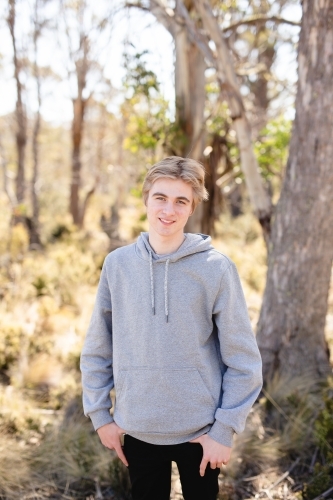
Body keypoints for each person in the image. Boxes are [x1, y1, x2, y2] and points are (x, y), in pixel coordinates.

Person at [80, 156, 263, 500]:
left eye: (181, 201)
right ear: (146, 199)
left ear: (192, 207)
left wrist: (223, 431)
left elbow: (244, 361)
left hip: (200, 432)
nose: (169, 210)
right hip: (137, 429)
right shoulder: (118, 265)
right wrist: (101, 416)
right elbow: (97, 348)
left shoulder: (216, 269)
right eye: (161, 198)